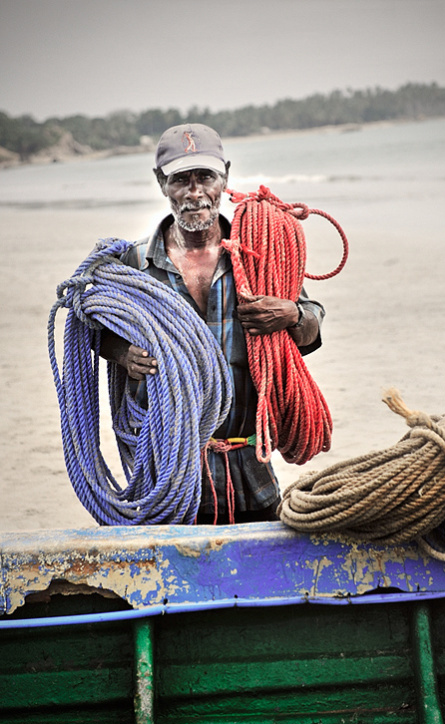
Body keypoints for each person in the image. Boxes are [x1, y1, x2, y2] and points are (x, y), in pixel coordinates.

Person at [100, 123, 325, 524]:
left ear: (225, 176)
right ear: (160, 183)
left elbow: (310, 330)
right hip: (171, 476)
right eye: (180, 180)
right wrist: (123, 354)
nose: (195, 192)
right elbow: (95, 333)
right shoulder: (134, 265)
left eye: (205, 176)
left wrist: (291, 314)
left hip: (250, 468)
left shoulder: (261, 257)